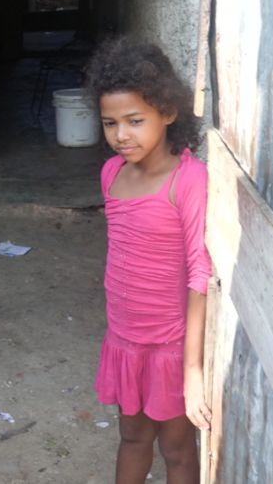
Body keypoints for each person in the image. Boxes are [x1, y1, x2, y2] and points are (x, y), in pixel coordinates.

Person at [85, 38, 211, 484]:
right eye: (110, 123)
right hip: (125, 338)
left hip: (171, 347)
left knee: (177, 448)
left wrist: (193, 370)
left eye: (135, 121)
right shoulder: (112, 174)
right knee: (132, 438)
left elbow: (200, 272)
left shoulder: (188, 180)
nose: (122, 135)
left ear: (168, 113)